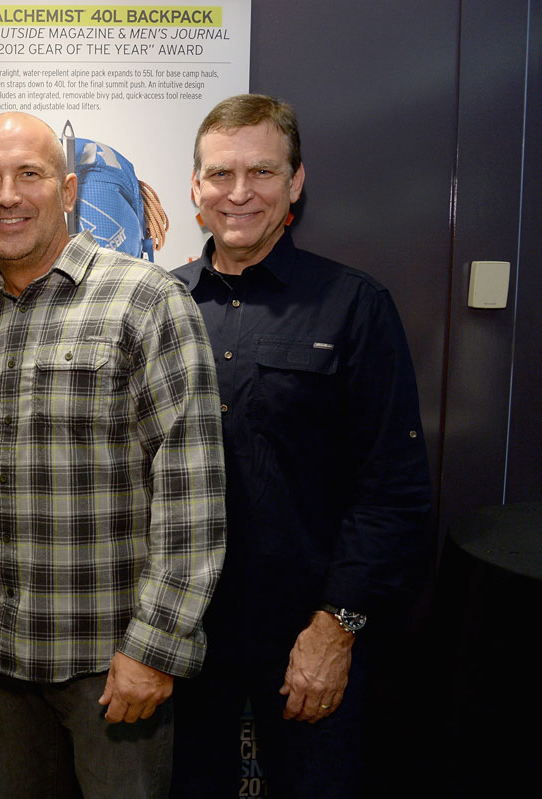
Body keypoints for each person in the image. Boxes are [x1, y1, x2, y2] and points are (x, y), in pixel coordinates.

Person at [0, 111, 227, 798]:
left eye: (30, 175)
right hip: (3, 665)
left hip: (110, 668)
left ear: (69, 190)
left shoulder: (146, 298)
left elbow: (190, 488)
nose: (8, 195)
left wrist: (154, 646)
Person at [170, 93, 432, 799]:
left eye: (261, 171)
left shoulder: (353, 304)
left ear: (296, 182)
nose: (239, 192)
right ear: (195, 187)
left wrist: (336, 626)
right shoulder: (159, 306)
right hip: (182, 638)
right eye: (221, 174)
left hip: (308, 635)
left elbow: (394, 489)